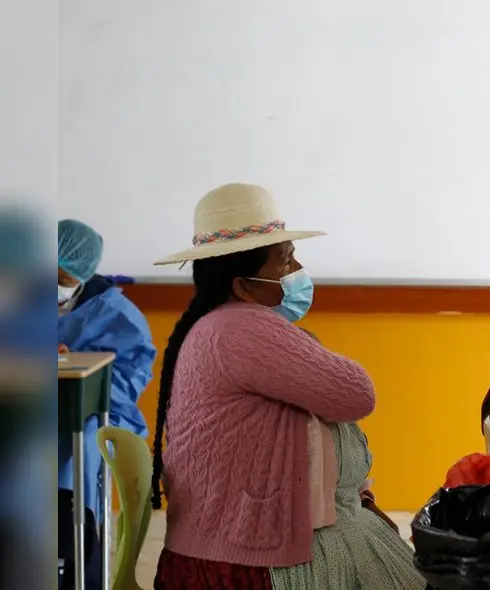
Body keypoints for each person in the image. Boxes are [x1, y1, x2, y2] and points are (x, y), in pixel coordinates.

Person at [150, 183, 423, 590]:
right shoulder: (242, 328)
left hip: (217, 546)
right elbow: (355, 393)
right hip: (244, 562)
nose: (296, 272)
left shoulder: (218, 325)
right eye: (285, 261)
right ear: (243, 285)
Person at [57, 218, 155, 525]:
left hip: (99, 412)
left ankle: (80, 539)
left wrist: (80, 369)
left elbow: (128, 382)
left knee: (82, 446)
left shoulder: (116, 314)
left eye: (61, 278)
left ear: (81, 273)